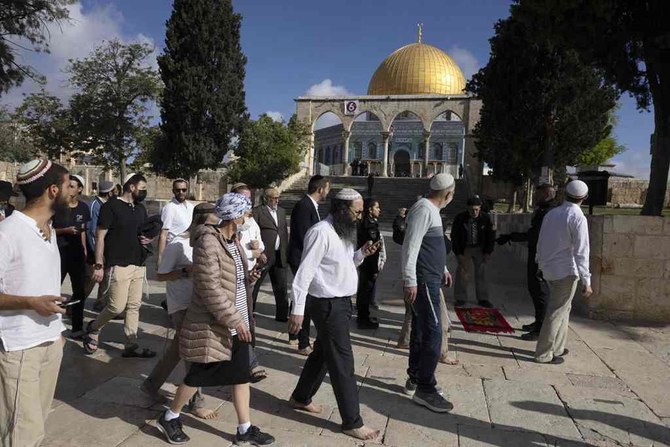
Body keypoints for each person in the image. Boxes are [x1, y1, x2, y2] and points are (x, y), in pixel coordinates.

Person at [156, 193, 274, 446]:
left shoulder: (234, 239)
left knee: (241, 374)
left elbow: (229, 279)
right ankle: (170, 416)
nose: (247, 217)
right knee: (199, 375)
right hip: (216, 322)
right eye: (245, 213)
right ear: (234, 215)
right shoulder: (208, 243)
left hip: (237, 317)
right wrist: (235, 320)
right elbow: (210, 288)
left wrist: (246, 279)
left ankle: (245, 428)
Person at [288, 188, 381, 441]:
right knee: (343, 362)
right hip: (327, 305)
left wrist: (361, 254)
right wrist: (297, 311)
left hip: (341, 302)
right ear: (341, 209)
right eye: (357, 212)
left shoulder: (344, 231)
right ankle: (352, 421)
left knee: (324, 354)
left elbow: (343, 263)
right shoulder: (320, 233)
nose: (360, 217)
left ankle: (300, 397)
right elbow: (304, 274)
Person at [0, 159, 70, 446]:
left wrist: (58, 330)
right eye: (68, 186)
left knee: (36, 427)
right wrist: (31, 303)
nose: (73, 192)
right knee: (21, 434)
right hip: (20, 348)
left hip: (50, 342)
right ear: (53, 190)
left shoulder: (48, 230)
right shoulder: (8, 233)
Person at [141, 203, 218, 419]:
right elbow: (161, 275)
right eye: (213, 223)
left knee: (178, 350)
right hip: (182, 304)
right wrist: (186, 271)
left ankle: (151, 384)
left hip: (200, 303)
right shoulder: (178, 244)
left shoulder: (208, 241)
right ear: (202, 220)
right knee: (195, 353)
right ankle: (196, 401)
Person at [401, 173, 456, 413]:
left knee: (423, 331)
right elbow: (410, 245)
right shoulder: (424, 209)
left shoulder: (431, 210)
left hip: (431, 278)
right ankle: (425, 387)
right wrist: (410, 280)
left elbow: (430, 245)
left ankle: (415, 378)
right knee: (434, 332)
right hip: (423, 282)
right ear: (449, 194)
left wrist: (442, 267)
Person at [86, 173, 156, 358]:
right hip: (118, 264)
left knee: (133, 306)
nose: (144, 192)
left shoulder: (140, 209)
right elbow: (100, 236)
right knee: (116, 307)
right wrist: (99, 264)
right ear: (131, 187)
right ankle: (93, 328)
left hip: (138, 264)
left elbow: (142, 232)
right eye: (142, 188)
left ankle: (131, 344)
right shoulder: (111, 207)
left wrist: (148, 238)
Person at [534, 180, 592, 365]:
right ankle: (543, 354)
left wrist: (539, 263)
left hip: (549, 269)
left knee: (564, 309)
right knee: (556, 311)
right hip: (565, 271)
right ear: (584, 198)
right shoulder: (578, 217)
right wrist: (587, 280)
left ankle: (557, 347)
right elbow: (582, 251)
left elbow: (541, 240)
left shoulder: (552, 213)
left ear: (565, 194)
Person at [497, 184, 557, 340]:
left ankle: (541, 328)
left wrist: (511, 236)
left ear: (546, 194)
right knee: (534, 288)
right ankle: (538, 322)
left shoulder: (548, 212)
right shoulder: (544, 210)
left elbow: (534, 235)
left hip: (541, 256)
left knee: (540, 290)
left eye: (537, 195)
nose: (535, 197)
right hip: (536, 253)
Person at [287, 175, 330, 355]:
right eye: (327, 188)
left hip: (304, 258)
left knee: (302, 299)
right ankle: (303, 342)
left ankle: (294, 334)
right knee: (304, 300)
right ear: (320, 189)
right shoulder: (304, 206)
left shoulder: (311, 206)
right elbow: (306, 236)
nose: (328, 192)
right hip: (301, 259)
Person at [52, 174, 91, 337]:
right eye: (68, 185)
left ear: (80, 189)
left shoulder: (83, 207)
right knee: (53, 289)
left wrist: (84, 249)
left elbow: (82, 231)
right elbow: (47, 230)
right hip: (58, 253)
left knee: (79, 291)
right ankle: (51, 325)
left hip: (76, 254)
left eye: (72, 186)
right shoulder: (57, 207)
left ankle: (77, 327)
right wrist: (65, 231)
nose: (69, 189)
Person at [451, 196, 496, 308]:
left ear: (480, 208)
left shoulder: (485, 218)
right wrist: (458, 253)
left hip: (480, 249)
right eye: (471, 209)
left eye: (476, 209)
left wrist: (488, 252)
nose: (474, 212)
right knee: (462, 273)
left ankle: (483, 298)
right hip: (465, 248)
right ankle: (461, 298)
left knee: (481, 274)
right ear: (467, 208)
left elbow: (491, 236)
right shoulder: (460, 218)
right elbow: (454, 236)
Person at [252, 187, 289, 321]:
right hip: (265, 255)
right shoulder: (258, 212)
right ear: (266, 199)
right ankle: (250, 313)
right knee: (255, 284)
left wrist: (286, 252)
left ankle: (282, 316)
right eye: (273, 198)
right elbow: (253, 233)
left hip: (280, 255)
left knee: (281, 286)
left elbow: (284, 232)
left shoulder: (281, 211)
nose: (276, 200)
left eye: (278, 198)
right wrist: (258, 252)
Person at [356, 198, 386, 328]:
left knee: (364, 290)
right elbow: (372, 250)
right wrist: (375, 269)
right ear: (370, 209)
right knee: (366, 291)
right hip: (368, 263)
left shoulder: (369, 223)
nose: (379, 210)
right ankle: (363, 319)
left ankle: (364, 315)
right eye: (377, 207)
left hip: (365, 263)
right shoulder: (369, 225)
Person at [86, 180, 115, 312]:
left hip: (105, 249)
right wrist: (96, 253)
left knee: (104, 279)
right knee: (91, 280)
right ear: (109, 192)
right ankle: (75, 305)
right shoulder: (94, 205)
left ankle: (100, 303)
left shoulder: (106, 205)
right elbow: (92, 232)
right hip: (96, 251)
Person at [158, 179, 194, 267]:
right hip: (174, 251)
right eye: (178, 190)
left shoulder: (191, 207)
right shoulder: (169, 208)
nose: (181, 192)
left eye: (184, 190)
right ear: (173, 191)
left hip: (189, 252)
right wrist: (160, 259)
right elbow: (163, 235)